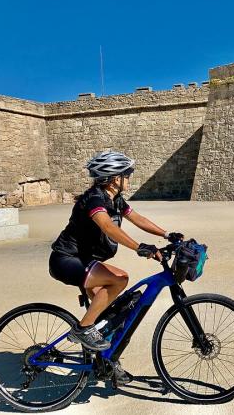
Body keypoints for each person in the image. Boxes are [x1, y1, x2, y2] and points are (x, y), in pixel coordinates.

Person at [49, 151, 183, 385]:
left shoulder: (115, 199)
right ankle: (82, 329)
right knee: (120, 278)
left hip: (86, 261)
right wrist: (139, 247)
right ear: (114, 178)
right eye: (127, 174)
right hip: (66, 259)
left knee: (112, 316)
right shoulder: (94, 199)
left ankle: (106, 362)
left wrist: (165, 233)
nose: (130, 178)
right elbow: (108, 227)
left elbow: (137, 218)